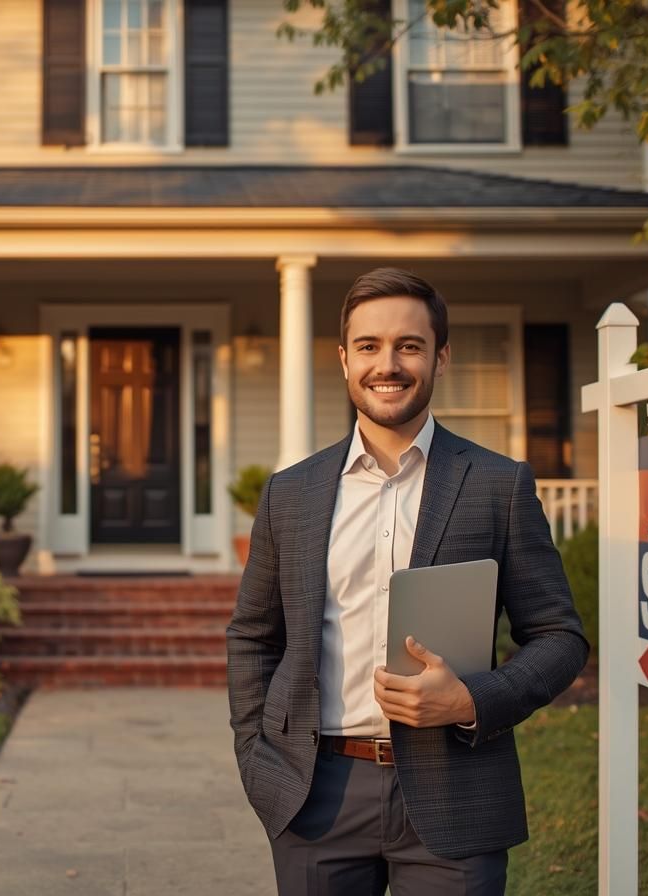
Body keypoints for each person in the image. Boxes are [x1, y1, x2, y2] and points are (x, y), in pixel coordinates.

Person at [226, 267, 589, 896]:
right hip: (316, 799)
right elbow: (253, 638)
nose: (386, 364)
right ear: (344, 359)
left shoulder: (498, 485)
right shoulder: (291, 494)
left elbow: (560, 637)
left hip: (457, 793)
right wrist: (261, 762)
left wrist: (475, 700)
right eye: (368, 346)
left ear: (440, 357)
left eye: (409, 346)